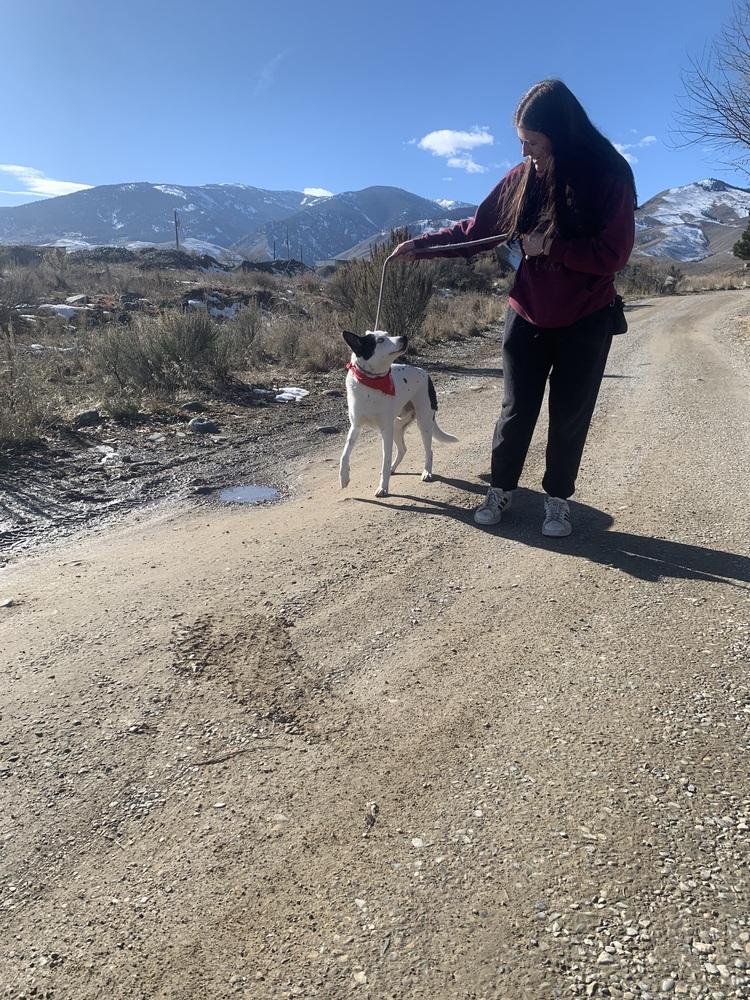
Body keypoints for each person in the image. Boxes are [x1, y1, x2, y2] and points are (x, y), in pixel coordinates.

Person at [390, 79, 636, 537]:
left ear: (561, 134)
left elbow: (614, 253)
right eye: (521, 141)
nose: (526, 152)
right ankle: (500, 488)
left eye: (534, 142)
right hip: (527, 311)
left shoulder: (609, 174)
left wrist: (553, 247)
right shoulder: (524, 176)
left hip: (587, 316)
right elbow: (477, 229)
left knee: (569, 413)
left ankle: (557, 500)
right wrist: (419, 247)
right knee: (516, 408)